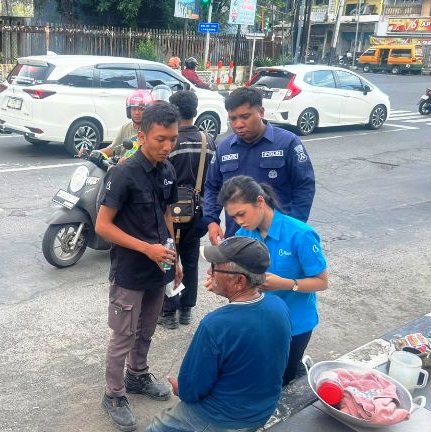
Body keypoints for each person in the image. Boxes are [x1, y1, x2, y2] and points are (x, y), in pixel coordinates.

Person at [96, 103, 184, 431]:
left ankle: (137, 376)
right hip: (130, 271)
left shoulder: (168, 172)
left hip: (157, 270)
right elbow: (103, 226)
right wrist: (146, 248)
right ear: (142, 135)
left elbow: (166, 216)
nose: (167, 146)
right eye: (160, 139)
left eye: (172, 139)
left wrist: (173, 257)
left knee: (146, 330)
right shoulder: (123, 172)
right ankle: (114, 394)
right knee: (123, 335)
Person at [147, 236, 292, 432]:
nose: (209, 272)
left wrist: (180, 388)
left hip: (223, 418)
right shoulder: (279, 306)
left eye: (214, 267)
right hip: (264, 408)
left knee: (157, 427)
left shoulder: (216, 324)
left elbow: (190, 391)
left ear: (239, 281)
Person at [220, 175, 328, 386]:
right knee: (262, 370)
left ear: (260, 201)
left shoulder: (300, 234)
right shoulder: (245, 234)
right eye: (233, 217)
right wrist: (220, 283)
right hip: (258, 319)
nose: (239, 222)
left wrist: (287, 284)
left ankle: (297, 368)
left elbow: (322, 282)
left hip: (294, 323)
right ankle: (296, 367)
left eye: (242, 214)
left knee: (282, 380)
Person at [202, 86, 315, 246]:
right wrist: (211, 221)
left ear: (261, 112)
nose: (238, 124)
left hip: (278, 238)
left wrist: (292, 228)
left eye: (245, 117)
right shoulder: (224, 148)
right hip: (238, 237)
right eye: (233, 118)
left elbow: (304, 187)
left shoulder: (288, 142)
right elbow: (212, 187)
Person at [158, 90, 216, 329]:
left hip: (170, 210)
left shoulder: (169, 140)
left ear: (174, 111)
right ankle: (187, 310)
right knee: (190, 260)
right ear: (195, 110)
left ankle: (169, 312)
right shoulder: (208, 140)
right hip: (197, 211)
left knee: (169, 258)